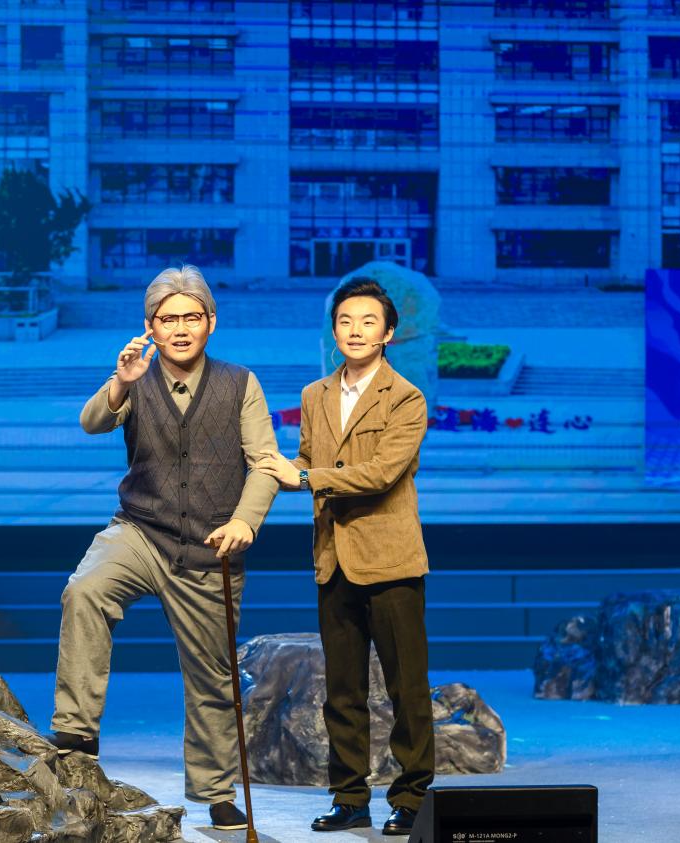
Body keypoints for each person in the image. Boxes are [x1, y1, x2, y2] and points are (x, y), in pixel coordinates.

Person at [48, 264, 279, 832]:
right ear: (150, 326)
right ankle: (76, 734)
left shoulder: (240, 383)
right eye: (167, 319)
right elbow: (91, 423)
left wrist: (246, 521)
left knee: (213, 674)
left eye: (191, 317)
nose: (180, 328)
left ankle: (215, 791)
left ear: (211, 322)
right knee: (84, 590)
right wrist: (121, 381)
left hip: (209, 546)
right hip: (141, 531)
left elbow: (265, 463)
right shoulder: (135, 376)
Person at [259, 278, 434, 836]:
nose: (355, 331)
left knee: (407, 688)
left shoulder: (406, 397)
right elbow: (307, 461)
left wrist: (304, 477)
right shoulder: (315, 394)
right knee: (342, 690)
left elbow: (381, 474)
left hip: (391, 560)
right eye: (345, 321)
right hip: (333, 557)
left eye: (367, 321)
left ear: (388, 333)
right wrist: (276, 468)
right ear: (333, 331)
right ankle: (350, 797)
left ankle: (412, 799)